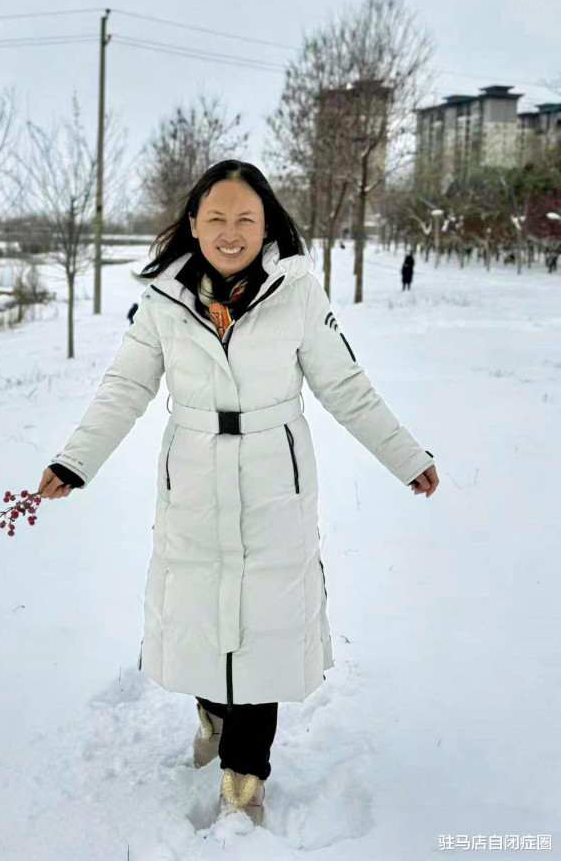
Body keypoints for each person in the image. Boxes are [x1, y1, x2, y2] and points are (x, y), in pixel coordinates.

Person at [38, 160, 439, 826]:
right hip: (193, 478)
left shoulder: (297, 290)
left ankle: (245, 780)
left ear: (267, 225)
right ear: (194, 225)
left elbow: (344, 385)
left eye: (245, 219)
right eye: (217, 218)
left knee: (264, 628)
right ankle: (213, 711)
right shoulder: (165, 300)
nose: (231, 232)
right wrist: (75, 461)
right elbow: (126, 387)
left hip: (274, 480)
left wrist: (405, 455)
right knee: (201, 615)